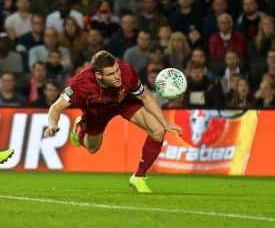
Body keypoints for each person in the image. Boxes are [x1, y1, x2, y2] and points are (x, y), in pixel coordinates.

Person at [42, 50, 183, 193]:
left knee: (158, 131)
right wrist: (53, 124)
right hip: (97, 113)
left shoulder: (127, 71)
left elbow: (145, 97)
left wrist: (165, 122)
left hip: (124, 103)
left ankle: (139, 176)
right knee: (92, 149)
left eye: (117, 71)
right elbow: (56, 107)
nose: (117, 76)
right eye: (111, 74)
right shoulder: (80, 84)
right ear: (98, 75)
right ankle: (79, 130)